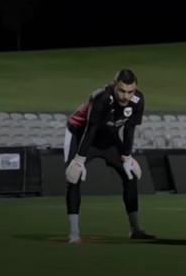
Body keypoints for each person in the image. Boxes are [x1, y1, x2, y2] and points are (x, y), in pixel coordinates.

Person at [64, 69, 156, 243]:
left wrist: (127, 157)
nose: (125, 96)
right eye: (122, 91)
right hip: (81, 134)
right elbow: (90, 130)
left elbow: (129, 129)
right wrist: (79, 160)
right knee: (73, 178)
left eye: (130, 92)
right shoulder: (101, 98)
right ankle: (73, 233)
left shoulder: (138, 100)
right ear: (115, 86)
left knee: (129, 176)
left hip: (108, 137)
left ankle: (135, 229)